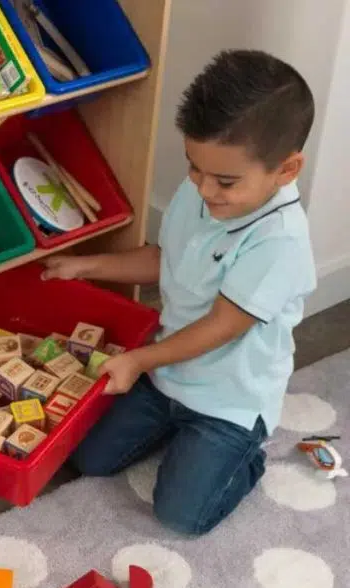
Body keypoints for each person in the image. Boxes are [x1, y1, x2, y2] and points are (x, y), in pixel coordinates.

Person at [42, 49, 316, 535]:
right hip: (168, 375)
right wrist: (86, 265)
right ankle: (176, 431)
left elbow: (221, 327)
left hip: (228, 401)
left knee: (180, 515)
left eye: (224, 180)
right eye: (194, 167)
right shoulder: (204, 190)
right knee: (89, 458)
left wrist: (138, 360)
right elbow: (163, 256)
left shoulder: (280, 241)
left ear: (287, 170)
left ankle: (244, 457)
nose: (204, 188)